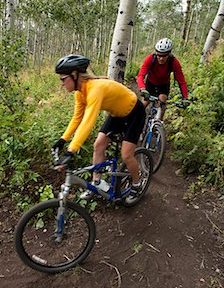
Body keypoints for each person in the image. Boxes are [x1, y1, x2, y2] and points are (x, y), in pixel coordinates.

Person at [51, 54, 146, 201]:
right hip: (116, 114)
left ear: (75, 75)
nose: (61, 83)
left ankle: (136, 184)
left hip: (134, 112)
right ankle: (96, 183)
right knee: (98, 145)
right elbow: (77, 118)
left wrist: (71, 150)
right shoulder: (79, 93)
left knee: (126, 155)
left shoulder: (95, 89)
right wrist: (63, 139)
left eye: (63, 79)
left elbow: (88, 122)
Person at [137, 38, 189, 119]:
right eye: (159, 55)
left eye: (164, 55)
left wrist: (185, 97)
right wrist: (142, 88)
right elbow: (140, 76)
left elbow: (181, 82)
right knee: (143, 104)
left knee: (162, 101)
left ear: (169, 54)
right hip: (150, 84)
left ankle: (159, 123)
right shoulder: (150, 59)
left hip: (163, 85)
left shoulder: (174, 62)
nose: (161, 58)